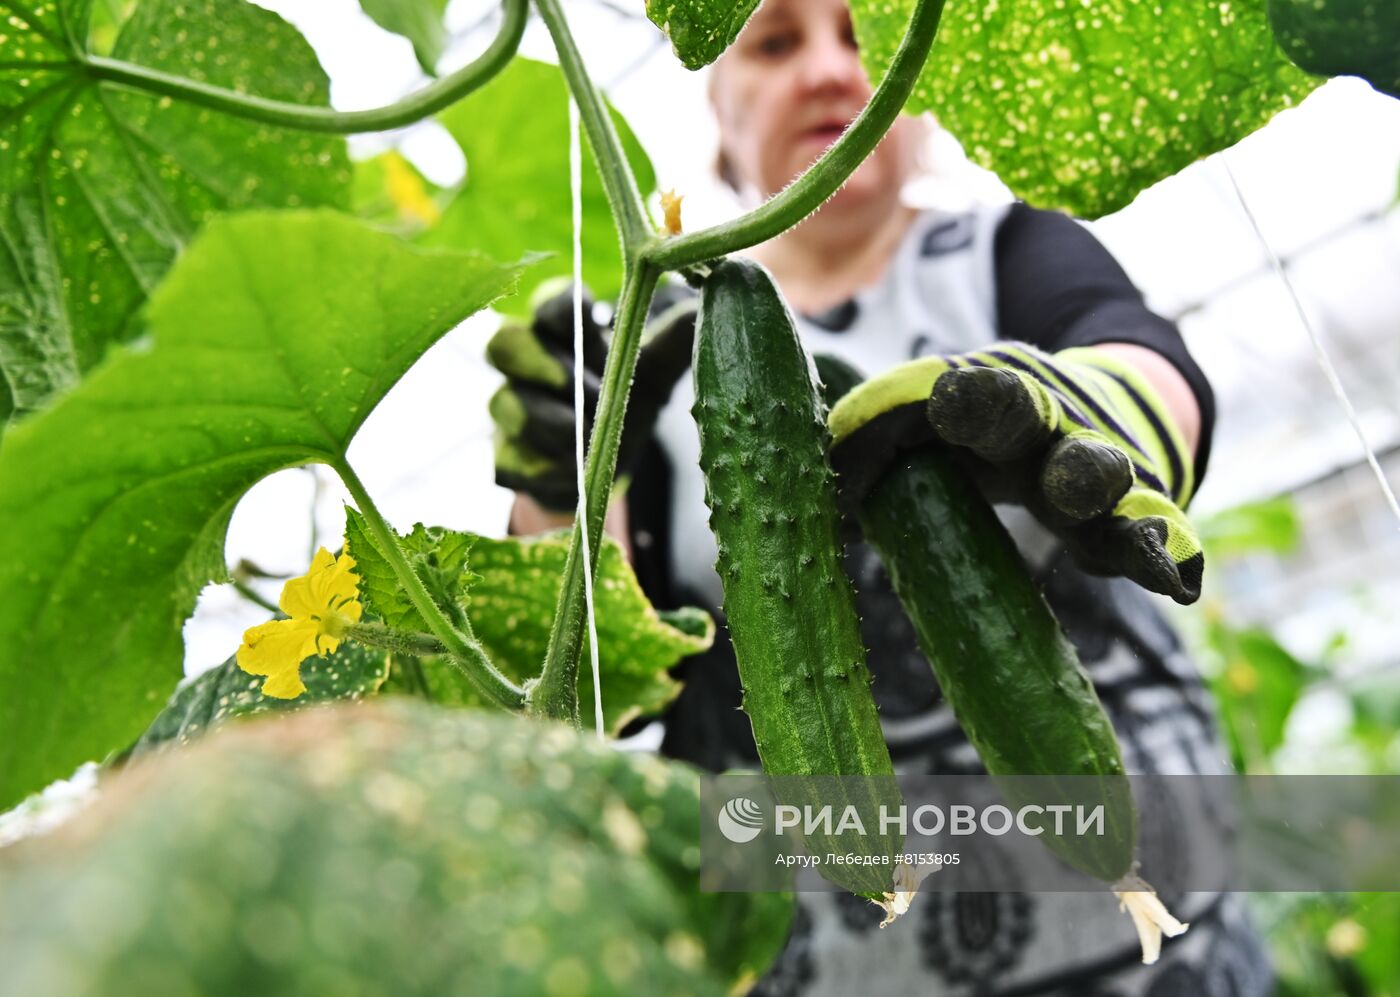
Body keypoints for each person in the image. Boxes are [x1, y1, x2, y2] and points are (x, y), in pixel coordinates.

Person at [491, 0, 1271, 992]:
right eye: (774, 41)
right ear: (716, 100)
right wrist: (557, 481)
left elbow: (1141, 359)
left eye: (862, 34)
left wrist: (1100, 412)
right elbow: (594, 659)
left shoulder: (1006, 249)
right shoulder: (658, 342)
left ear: (918, 99)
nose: (825, 70)